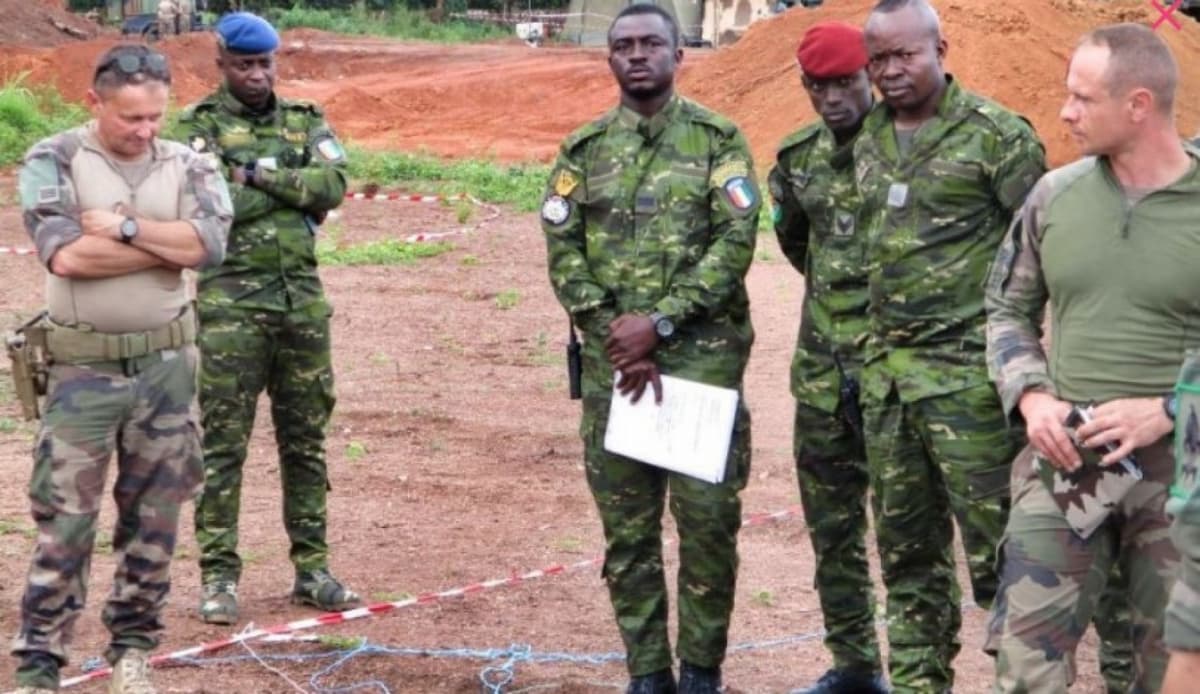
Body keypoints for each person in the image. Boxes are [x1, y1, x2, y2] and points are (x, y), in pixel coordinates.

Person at [542, 4, 759, 692]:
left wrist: (660, 324)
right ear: (610, 58)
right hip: (616, 373)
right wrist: (619, 335)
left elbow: (735, 243)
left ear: (678, 55)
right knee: (629, 533)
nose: (637, 55)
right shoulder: (582, 150)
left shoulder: (718, 141)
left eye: (651, 44)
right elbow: (562, 250)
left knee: (707, 529)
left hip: (699, 368)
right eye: (624, 45)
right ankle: (647, 672)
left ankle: (700, 672)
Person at [4, 44, 231, 694]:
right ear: (94, 103)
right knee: (65, 522)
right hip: (82, 373)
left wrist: (126, 229)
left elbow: (211, 245)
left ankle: (132, 652)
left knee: (155, 520)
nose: (145, 130)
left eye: (155, 116)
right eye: (131, 117)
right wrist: (167, 243)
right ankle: (40, 665)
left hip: (166, 371)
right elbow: (67, 258)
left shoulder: (189, 162)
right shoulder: (54, 159)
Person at [985, 23, 1198, 691]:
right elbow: (1006, 308)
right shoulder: (1055, 195)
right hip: (1067, 461)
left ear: (1138, 105)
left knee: (1169, 672)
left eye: (1082, 98)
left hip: (1182, 478)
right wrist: (1032, 396)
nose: (1065, 112)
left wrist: (1167, 409)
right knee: (1025, 670)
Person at [852, 1, 1046, 691]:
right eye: (878, 59)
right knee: (907, 561)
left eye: (905, 54)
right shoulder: (867, 137)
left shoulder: (999, 138)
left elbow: (1042, 258)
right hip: (890, 390)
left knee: (1005, 559)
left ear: (941, 49)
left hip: (972, 390)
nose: (891, 70)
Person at [177, 12, 358, 626]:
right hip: (231, 308)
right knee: (224, 446)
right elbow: (211, 204)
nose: (257, 75)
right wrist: (290, 188)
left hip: (301, 303)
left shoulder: (304, 118)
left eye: (265, 63)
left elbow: (333, 185)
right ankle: (219, 577)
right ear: (222, 64)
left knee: (305, 442)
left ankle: (313, 570)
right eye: (244, 65)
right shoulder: (198, 125)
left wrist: (253, 173)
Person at [766, 22, 886, 694]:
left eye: (845, 83)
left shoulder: (907, 149)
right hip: (820, 378)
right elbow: (797, 245)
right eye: (819, 86)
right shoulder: (797, 159)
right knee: (833, 532)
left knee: (908, 537)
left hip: (895, 377)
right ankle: (855, 667)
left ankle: (921, 672)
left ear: (870, 76)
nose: (833, 98)